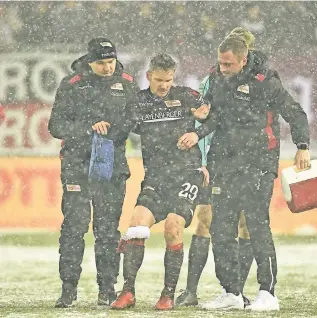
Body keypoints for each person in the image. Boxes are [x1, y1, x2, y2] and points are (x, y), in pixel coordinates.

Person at [178, 33, 310, 311]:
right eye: (220, 63)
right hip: (224, 162)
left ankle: (268, 292)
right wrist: (198, 129)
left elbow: (295, 112)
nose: (222, 69)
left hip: (258, 162)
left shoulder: (266, 81)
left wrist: (302, 145)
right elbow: (215, 116)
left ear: (243, 60)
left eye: (228, 65)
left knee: (256, 225)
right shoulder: (216, 78)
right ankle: (232, 292)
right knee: (221, 227)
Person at [176, 27, 271, 308]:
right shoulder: (212, 80)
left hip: (244, 163)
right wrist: (201, 161)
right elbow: (202, 119)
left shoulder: (259, 82)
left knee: (245, 225)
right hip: (215, 160)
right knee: (205, 220)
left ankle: (236, 291)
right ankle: (191, 290)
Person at [110, 53, 209, 311]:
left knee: (173, 228)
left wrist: (196, 134)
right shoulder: (138, 103)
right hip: (155, 177)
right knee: (136, 227)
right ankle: (128, 291)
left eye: (168, 80)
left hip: (187, 174)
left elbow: (215, 118)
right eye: (159, 80)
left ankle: (167, 295)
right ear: (148, 76)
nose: (164, 85)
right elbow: (120, 130)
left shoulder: (187, 95)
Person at [48, 37, 139, 308]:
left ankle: (107, 289)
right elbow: (56, 125)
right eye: (101, 62)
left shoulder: (127, 83)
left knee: (108, 231)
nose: (108, 67)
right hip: (77, 165)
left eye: (111, 61)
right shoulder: (72, 84)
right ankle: (68, 289)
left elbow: (134, 121)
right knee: (74, 228)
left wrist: (112, 128)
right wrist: (89, 127)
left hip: (112, 166)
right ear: (90, 61)